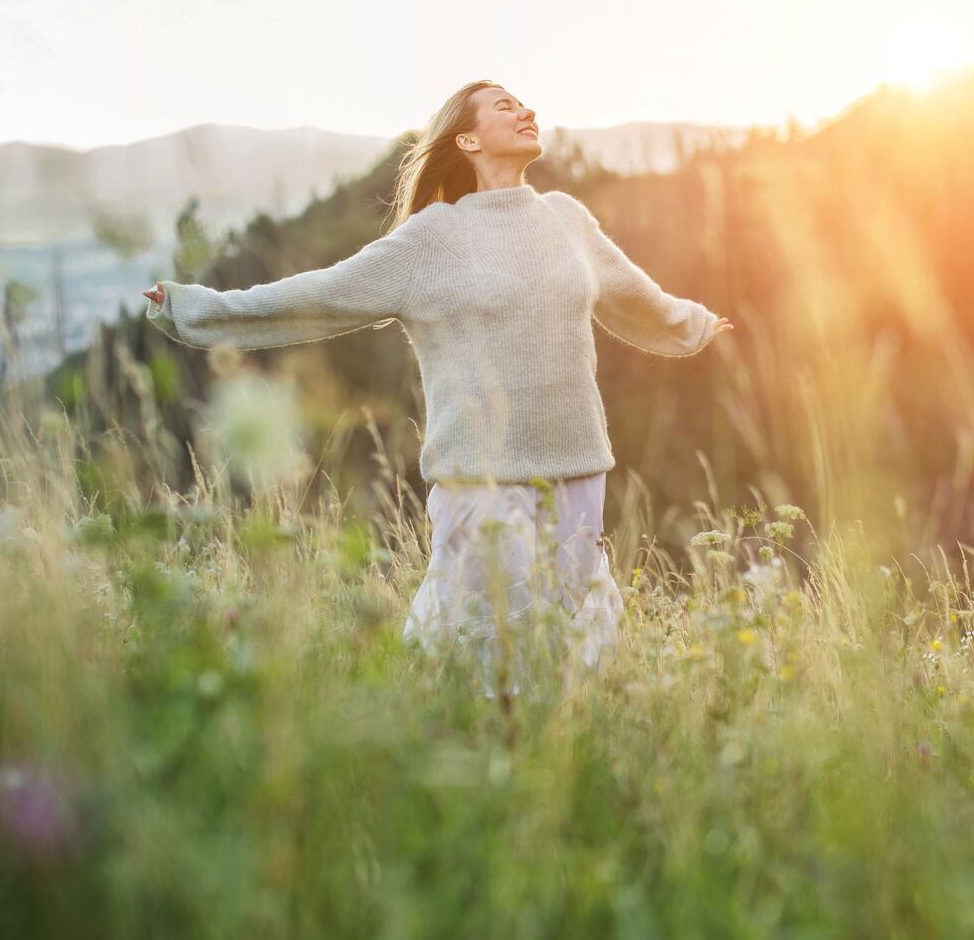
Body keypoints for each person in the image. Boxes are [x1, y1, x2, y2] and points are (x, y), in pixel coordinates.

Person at [142, 79, 734, 696]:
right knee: (486, 643)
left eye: (524, 103)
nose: (526, 110)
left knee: (572, 639)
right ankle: (465, 750)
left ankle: (557, 764)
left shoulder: (566, 220)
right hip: (480, 475)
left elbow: (636, 296)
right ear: (468, 138)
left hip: (579, 467)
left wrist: (693, 323)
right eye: (506, 106)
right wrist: (197, 308)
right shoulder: (430, 240)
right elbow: (320, 294)